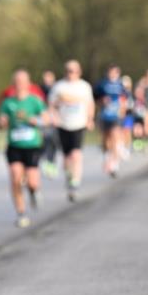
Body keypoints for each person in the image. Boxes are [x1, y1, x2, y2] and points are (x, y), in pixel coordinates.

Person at [0, 68, 47, 228]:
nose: (19, 85)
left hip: (32, 145)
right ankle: (21, 213)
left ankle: (33, 192)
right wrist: (2, 123)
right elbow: (1, 121)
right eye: (16, 82)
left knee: (32, 182)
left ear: (28, 83)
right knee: (15, 178)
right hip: (14, 146)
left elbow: (47, 119)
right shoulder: (8, 102)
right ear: (13, 84)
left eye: (22, 82)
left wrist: (37, 121)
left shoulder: (35, 101)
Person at [48, 60, 94, 202]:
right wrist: (54, 117)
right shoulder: (59, 86)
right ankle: (69, 177)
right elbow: (50, 104)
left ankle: (75, 182)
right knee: (67, 157)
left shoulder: (84, 86)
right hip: (63, 124)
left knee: (76, 154)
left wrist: (90, 119)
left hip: (78, 124)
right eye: (68, 70)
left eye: (73, 71)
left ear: (79, 72)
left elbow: (90, 103)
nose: (71, 73)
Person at [95, 65, 127, 177]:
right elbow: (95, 97)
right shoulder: (102, 84)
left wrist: (122, 109)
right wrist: (101, 101)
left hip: (116, 115)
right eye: (111, 72)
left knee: (115, 136)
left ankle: (114, 163)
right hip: (104, 115)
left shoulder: (121, 85)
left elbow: (125, 98)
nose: (113, 74)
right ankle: (106, 156)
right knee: (106, 138)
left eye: (115, 72)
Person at [39, 70, 60, 178]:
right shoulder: (39, 90)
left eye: (49, 78)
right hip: (43, 120)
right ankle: (45, 162)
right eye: (45, 78)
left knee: (53, 143)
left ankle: (52, 164)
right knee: (43, 142)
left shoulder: (57, 89)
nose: (47, 80)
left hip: (55, 120)